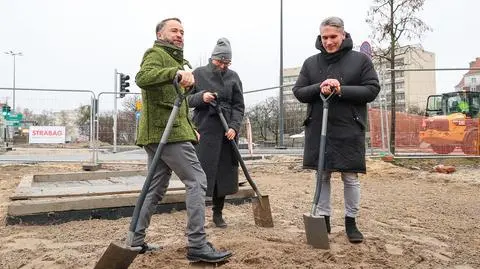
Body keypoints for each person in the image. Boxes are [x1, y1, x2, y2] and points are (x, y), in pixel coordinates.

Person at [133, 17, 232, 263]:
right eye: (174, 30)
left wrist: (189, 128)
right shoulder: (156, 54)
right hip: (165, 132)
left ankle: (134, 241)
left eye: (182, 31)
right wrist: (175, 73)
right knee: (197, 180)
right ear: (159, 34)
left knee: (154, 188)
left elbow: (180, 102)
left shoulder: (178, 60)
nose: (179, 35)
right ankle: (197, 244)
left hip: (166, 131)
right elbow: (142, 77)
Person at [292, 16, 380, 243]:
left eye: (333, 37)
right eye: (324, 37)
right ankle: (324, 219)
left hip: (348, 127)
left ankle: (351, 222)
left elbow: (371, 90)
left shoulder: (360, 61)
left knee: (350, 177)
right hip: (318, 126)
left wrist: (341, 89)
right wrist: (318, 86)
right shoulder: (311, 63)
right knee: (322, 175)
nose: (328, 42)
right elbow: (299, 92)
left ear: (343, 35)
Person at [188, 38, 245, 228]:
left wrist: (234, 127)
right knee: (201, 174)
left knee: (223, 175)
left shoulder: (234, 77)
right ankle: (198, 216)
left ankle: (218, 214)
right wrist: (201, 97)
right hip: (204, 129)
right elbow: (186, 99)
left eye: (226, 63)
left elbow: (239, 106)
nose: (222, 66)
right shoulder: (198, 73)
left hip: (227, 131)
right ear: (212, 58)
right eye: (219, 61)